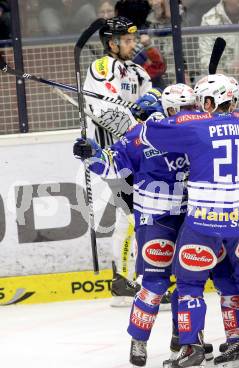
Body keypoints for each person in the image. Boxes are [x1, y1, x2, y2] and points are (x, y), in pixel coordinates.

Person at [140, 74, 239, 368]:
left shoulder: (192, 126)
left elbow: (151, 134)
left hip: (204, 223)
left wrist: (149, 114)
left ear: (206, 102)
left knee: (190, 285)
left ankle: (191, 352)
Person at [73, 83, 211, 368]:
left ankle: (181, 340)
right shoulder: (143, 136)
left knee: (183, 284)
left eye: (190, 108)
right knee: (157, 283)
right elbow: (111, 164)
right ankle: (146, 341)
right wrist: (91, 154)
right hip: (157, 220)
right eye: (181, 109)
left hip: (187, 217)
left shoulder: (193, 132)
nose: (186, 114)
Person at [83, 16, 152, 306]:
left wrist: (151, 109)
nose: (132, 43)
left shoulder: (136, 71)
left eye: (132, 39)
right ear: (111, 43)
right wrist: (134, 120)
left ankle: (124, 279)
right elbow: (100, 106)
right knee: (133, 215)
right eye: (126, 40)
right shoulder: (103, 67)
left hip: (132, 153)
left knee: (133, 216)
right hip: (108, 154)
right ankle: (124, 281)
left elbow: (152, 102)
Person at [114, 0, 167, 88]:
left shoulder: (144, 36)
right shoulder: (117, 42)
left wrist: (149, 46)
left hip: (152, 88)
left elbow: (159, 67)